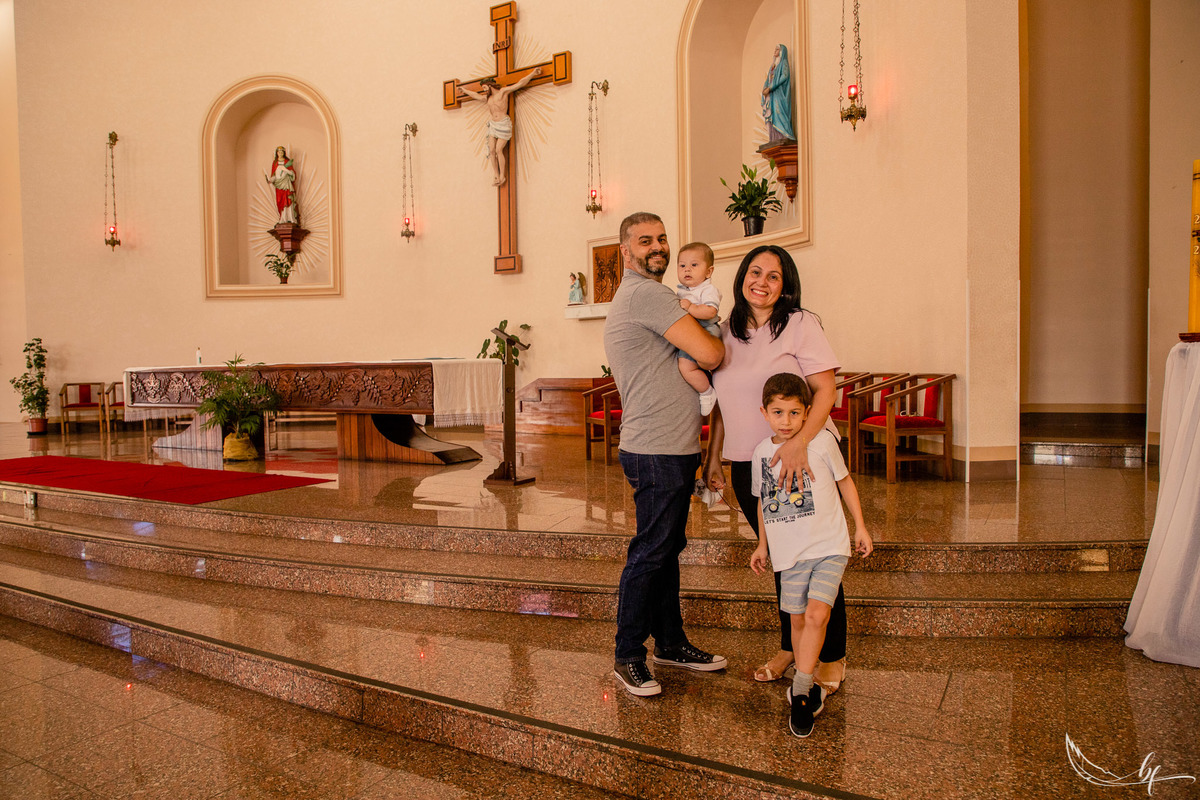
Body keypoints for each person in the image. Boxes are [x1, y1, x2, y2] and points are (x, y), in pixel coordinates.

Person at [702, 244, 851, 692]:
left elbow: (826, 390)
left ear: (785, 285)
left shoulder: (800, 324)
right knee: (784, 556)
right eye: (755, 272)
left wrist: (800, 444)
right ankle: (791, 645)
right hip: (751, 464)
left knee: (815, 553)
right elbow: (724, 404)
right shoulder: (725, 331)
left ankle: (832, 654)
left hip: (798, 459)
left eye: (773, 276)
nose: (762, 282)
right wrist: (714, 456)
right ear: (741, 277)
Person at [604, 211, 727, 697]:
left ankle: (670, 643)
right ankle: (628, 654)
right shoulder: (646, 294)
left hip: (668, 446)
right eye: (644, 240)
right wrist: (719, 339)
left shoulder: (647, 296)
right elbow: (713, 355)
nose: (656, 247)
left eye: (661, 239)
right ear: (626, 251)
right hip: (655, 448)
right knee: (651, 553)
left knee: (666, 552)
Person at [749, 373, 872, 737]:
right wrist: (762, 544)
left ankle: (802, 691)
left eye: (794, 413)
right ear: (764, 412)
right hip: (790, 554)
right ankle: (804, 683)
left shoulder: (821, 443)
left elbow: (845, 482)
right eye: (778, 412)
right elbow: (763, 501)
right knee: (799, 620)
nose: (786, 421)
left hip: (829, 546)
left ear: (807, 414)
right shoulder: (760, 453)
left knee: (819, 614)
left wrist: (860, 527)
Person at [460, 67, 543, 186]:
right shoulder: (488, 98)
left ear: (490, 86)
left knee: (499, 149)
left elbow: (520, 84)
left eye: (484, 88)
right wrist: (465, 90)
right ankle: (496, 175)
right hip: (493, 125)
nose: (483, 90)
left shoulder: (503, 92)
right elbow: (475, 95)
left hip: (503, 124)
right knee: (492, 151)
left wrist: (533, 73)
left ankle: (502, 175)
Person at [675, 242, 722, 417]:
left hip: (706, 330)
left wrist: (691, 308)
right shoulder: (683, 291)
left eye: (694, 265)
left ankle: (706, 392)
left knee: (686, 367)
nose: (687, 270)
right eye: (682, 265)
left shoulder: (708, 289)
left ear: (708, 272)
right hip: (690, 331)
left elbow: (711, 311)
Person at [761, 44, 795, 142]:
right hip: (771, 95)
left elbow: (784, 76)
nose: (775, 51)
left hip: (779, 94)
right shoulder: (773, 66)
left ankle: (783, 134)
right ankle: (774, 138)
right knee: (771, 114)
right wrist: (765, 89)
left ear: (781, 51)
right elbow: (768, 79)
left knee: (779, 112)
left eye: (777, 49)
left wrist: (771, 87)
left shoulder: (783, 63)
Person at [265, 146, 298, 224]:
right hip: (279, 185)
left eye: (282, 152)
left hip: (286, 183)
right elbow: (274, 175)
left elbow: (292, 173)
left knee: (288, 199)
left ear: (284, 153)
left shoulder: (287, 162)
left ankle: (290, 217)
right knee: (280, 200)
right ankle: (283, 218)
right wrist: (270, 180)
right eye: (279, 152)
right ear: (276, 153)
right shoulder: (275, 163)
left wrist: (286, 171)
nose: (280, 153)